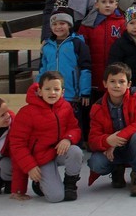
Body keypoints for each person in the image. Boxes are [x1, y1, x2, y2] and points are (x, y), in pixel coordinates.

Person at [8, 72, 84, 203]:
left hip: (59, 151)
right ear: (39, 91)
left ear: (63, 92)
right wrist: (30, 166)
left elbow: (74, 128)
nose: (52, 93)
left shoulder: (65, 107)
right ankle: (39, 185)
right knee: (55, 197)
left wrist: (68, 138)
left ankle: (70, 185)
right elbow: (17, 144)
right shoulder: (27, 112)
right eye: (47, 89)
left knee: (75, 151)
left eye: (56, 89)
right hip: (41, 157)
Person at [87, 62, 136, 195]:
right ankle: (116, 170)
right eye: (112, 81)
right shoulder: (97, 108)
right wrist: (108, 141)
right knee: (96, 163)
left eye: (121, 81)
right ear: (105, 83)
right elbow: (92, 139)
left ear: (129, 84)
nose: (117, 85)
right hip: (111, 151)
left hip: (134, 147)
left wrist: (118, 137)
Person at [39, 6, 92, 137]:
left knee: (73, 123)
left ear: (69, 25)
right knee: (53, 123)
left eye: (62, 23)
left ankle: (76, 146)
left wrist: (85, 91)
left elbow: (85, 68)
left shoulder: (77, 44)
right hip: (50, 93)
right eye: (55, 24)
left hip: (71, 93)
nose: (58, 27)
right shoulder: (47, 46)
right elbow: (42, 69)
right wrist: (38, 88)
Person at [79, 0, 125, 113]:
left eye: (111, 2)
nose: (107, 5)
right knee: (95, 109)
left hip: (115, 75)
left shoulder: (122, 23)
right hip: (95, 75)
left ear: (116, 4)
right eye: (104, 2)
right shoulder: (87, 25)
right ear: (96, 4)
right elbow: (82, 50)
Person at [107, 5, 136, 99]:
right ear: (126, 25)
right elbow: (114, 66)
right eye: (132, 23)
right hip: (130, 87)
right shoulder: (120, 44)